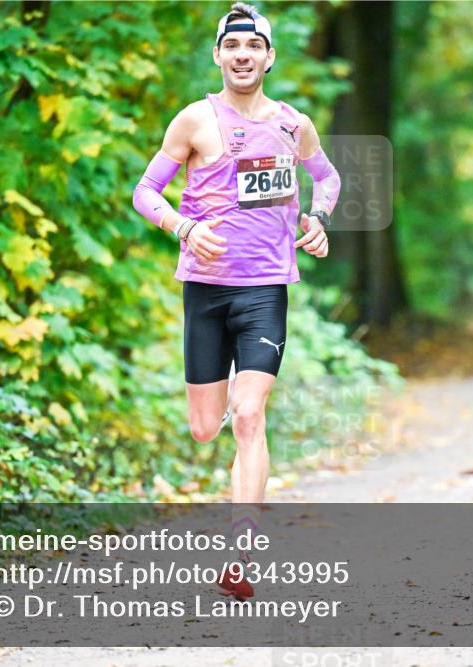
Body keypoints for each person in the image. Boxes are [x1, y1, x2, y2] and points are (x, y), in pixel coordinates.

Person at [132, 3, 341, 601]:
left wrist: (318, 218)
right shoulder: (194, 121)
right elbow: (146, 192)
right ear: (219, 56)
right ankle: (230, 451)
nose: (244, 54)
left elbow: (327, 179)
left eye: (255, 45)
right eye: (233, 46)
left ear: (270, 56)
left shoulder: (293, 125)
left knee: (249, 415)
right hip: (205, 291)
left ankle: (241, 551)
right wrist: (184, 228)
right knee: (205, 428)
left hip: (264, 289)